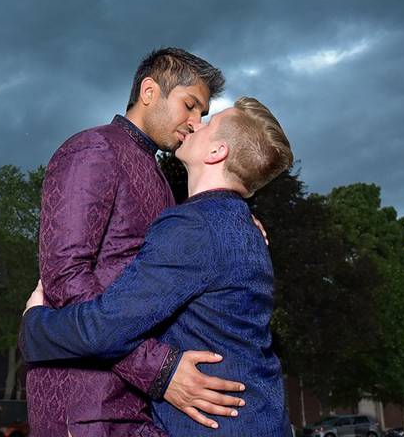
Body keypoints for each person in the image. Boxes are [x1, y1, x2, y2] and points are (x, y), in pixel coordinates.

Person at [21, 97, 293, 437]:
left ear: (216, 152)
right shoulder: (238, 226)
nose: (195, 124)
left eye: (208, 123)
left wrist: (36, 323)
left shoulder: (194, 227)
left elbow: (105, 330)